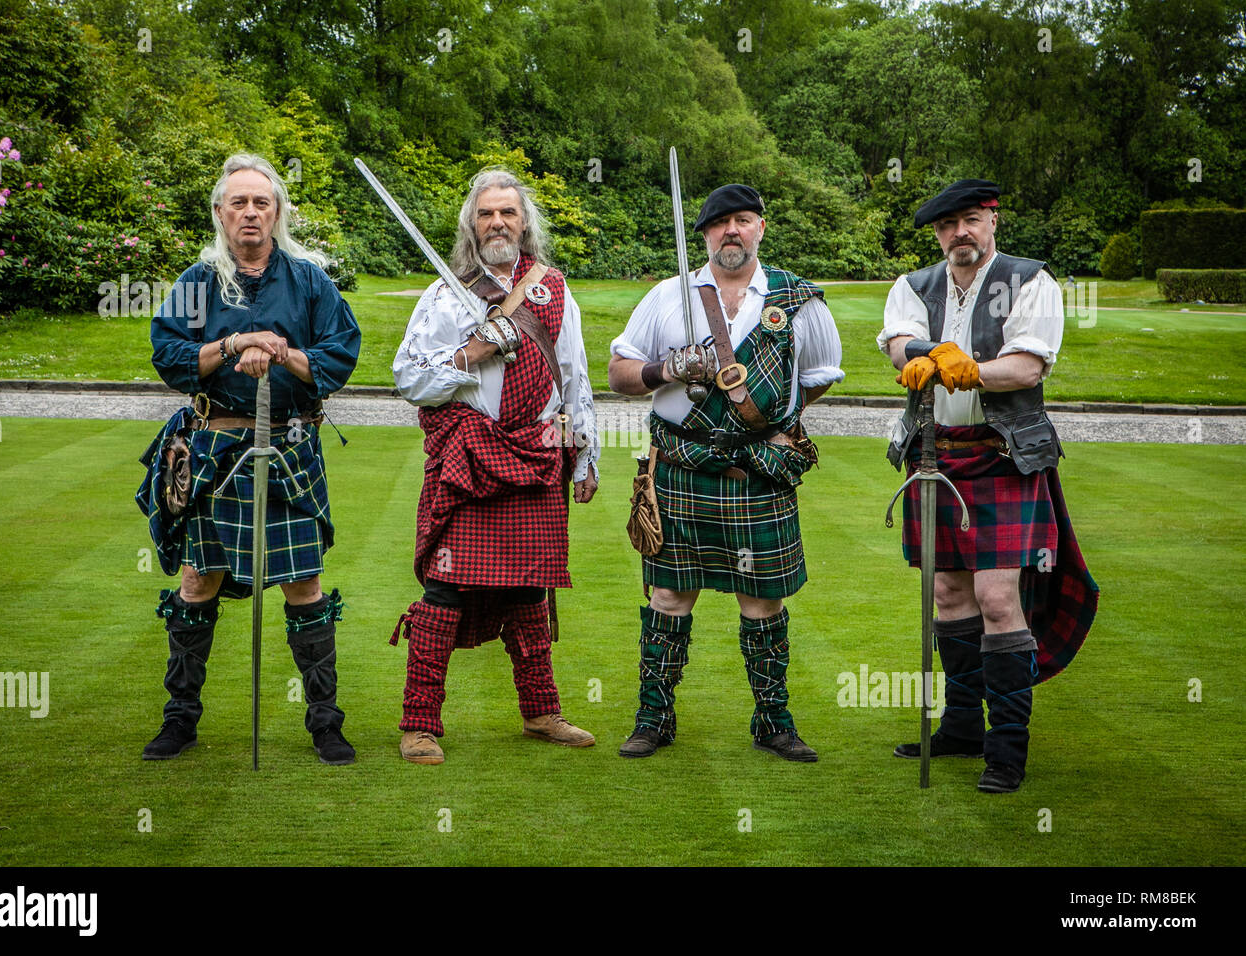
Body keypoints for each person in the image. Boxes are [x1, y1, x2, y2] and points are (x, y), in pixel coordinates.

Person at [136, 153, 361, 765]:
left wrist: (280, 352)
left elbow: (339, 360)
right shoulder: (197, 282)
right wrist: (236, 343)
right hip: (213, 445)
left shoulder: (310, 281)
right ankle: (180, 720)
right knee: (197, 578)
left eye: (262, 202)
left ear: (278, 212)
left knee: (303, 581)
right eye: (239, 202)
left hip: (288, 446)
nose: (251, 212)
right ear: (220, 212)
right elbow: (169, 356)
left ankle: (326, 723)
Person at [608, 183, 844, 762]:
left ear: (761, 226)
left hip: (758, 472)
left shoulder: (796, 301)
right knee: (667, 594)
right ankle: (653, 717)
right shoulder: (669, 295)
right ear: (706, 236)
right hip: (682, 467)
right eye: (720, 224)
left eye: (743, 220)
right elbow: (617, 371)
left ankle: (773, 720)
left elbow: (820, 372)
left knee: (762, 601)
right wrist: (668, 368)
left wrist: (771, 424)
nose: (731, 232)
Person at [879, 178, 1099, 793]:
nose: (960, 234)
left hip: (1002, 458)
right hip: (933, 458)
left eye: (971, 220)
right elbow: (899, 344)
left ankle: (1007, 749)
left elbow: (1027, 364)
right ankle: (961, 729)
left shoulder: (1031, 281)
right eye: (948, 226)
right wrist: (919, 354)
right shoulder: (914, 285)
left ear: (993, 221)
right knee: (949, 597)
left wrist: (968, 368)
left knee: (999, 600)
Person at [389, 168, 600, 765]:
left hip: (537, 455)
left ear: (524, 222)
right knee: (445, 588)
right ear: (471, 226)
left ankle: (541, 712)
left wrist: (585, 455)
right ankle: (419, 722)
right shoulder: (445, 295)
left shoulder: (554, 289)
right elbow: (410, 378)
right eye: (486, 214)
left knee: (531, 588)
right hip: (470, 456)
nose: (498, 223)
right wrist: (477, 350)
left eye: (508, 213)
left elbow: (575, 376)